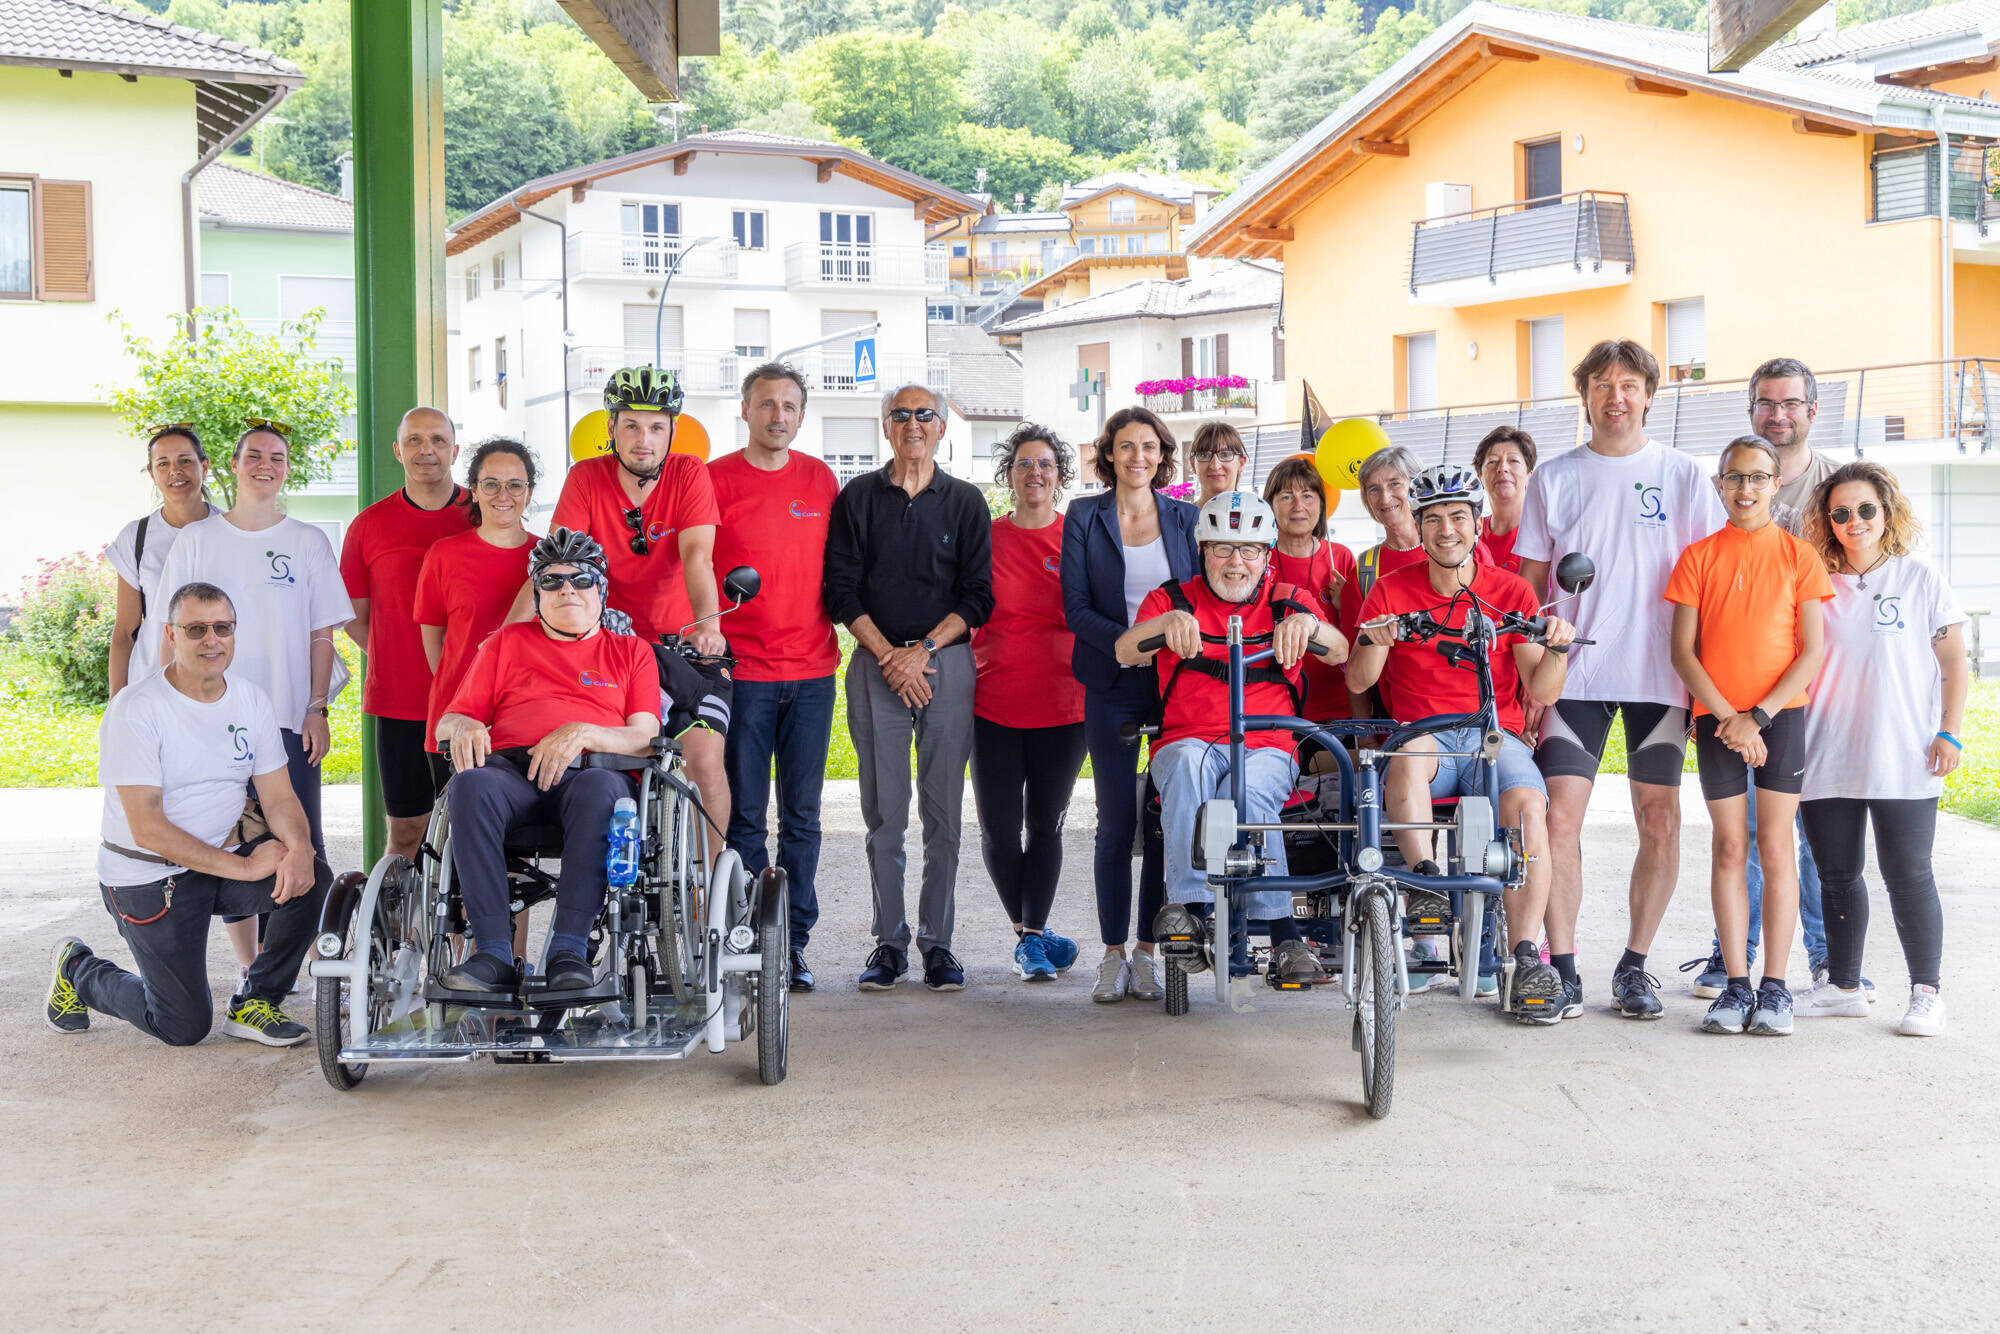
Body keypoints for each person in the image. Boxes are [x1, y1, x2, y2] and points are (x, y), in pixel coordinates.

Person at [1515, 339, 1726, 1021]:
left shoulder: (1686, 476)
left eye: (1629, 384)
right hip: (1573, 676)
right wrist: (1527, 675)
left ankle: (1635, 967)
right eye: (1602, 384)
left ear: (1648, 395)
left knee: (1660, 820)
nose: (1615, 396)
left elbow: (1714, 580)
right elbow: (1527, 587)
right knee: (1558, 821)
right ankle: (1565, 967)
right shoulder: (1555, 477)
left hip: (1661, 676)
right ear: (1584, 397)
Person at [45, 581, 332, 1046]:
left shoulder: (251, 700)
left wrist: (299, 848)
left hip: (217, 861)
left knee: (311, 876)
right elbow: (148, 828)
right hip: (147, 876)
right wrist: (243, 866)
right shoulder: (136, 710)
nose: (211, 640)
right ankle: (79, 969)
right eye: (196, 629)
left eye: (222, 627)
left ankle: (257, 1001)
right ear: (171, 635)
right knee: (181, 1026)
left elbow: (279, 797)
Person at [1346, 465, 1573, 1024]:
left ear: (1476, 525)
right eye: (1433, 520)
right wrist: (1377, 639)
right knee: (1408, 757)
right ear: (1418, 529)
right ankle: (1426, 885)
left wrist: (1559, 648)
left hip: (1493, 731)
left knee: (1529, 809)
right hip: (1425, 734)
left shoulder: (1509, 592)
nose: (1445, 530)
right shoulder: (1390, 589)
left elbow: (1539, 688)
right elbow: (1357, 681)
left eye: (1457, 518)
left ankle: (1524, 957)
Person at [1119, 492, 1346, 984]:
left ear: (1267, 555)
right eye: (1222, 548)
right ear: (1203, 553)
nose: (1235, 561)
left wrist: (1307, 624)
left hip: (1267, 744)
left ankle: (1285, 934)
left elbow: (1339, 651)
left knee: (1241, 792)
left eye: (1249, 550)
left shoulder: (1287, 600)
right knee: (1184, 769)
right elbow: (1123, 651)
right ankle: (1191, 910)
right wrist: (1164, 624)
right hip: (1188, 741)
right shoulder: (1172, 598)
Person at [156, 422, 352, 984]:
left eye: (278, 456)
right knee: (234, 843)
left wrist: (318, 707)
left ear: (287, 467)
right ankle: (251, 970)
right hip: (210, 721)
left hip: (288, 720)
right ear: (233, 464)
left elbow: (322, 634)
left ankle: (295, 966)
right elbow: (167, 635)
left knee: (300, 845)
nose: (266, 464)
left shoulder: (308, 541)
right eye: (254, 455)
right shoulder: (197, 540)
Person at [433, 529, 663, 993]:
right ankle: (494, 951)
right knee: (468, 784)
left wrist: (582, 733)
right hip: (511, 775)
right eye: (552, 581)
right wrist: (464, 727)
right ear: (536, 592)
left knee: (600, 790)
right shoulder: (505, 644)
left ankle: (568, 950)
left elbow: (645, 736)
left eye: (580, 581)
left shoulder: (630, 651)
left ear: (600, 590)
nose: (567, 591)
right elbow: (448, 721)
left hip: (593, 775)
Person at [824, 382, 993, 993]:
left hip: (943, 664)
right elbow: (841, 589)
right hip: (876, 664)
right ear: (886, 426)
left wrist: (921, 652)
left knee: (944, 817)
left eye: (926, 415)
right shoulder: (858, 498)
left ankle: (939, 945)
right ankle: (888, 943)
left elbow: (980, 596)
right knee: (884, 817)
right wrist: (890, 655)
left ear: (943, 428)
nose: (914, 424)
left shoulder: (967, 502)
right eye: (902, 415)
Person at [1666, 436, 1832, 1037]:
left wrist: (1756, 718)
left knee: (1777, 846)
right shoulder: (1697, 558)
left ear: (1776, 482)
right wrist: (1729, 719)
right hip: (1715, 718)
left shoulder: (1799, 557)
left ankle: (1776, 987)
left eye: (1758, 477)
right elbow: (1684, 654)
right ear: (1719, 485)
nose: (1745, 489)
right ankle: (1736, 985)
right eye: (1734, 477)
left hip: (1778, 718)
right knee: (1730, 847)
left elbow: (1811, 652)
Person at [1796, 461, 1966, 1036]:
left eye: (1865, 509)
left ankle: (1926, 993)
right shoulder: (1813, 580)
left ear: (1886, 512)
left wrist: (1950, 730)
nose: (1853, 521)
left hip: (1903, 754)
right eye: (1840, 512)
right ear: (1827, 519)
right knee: (1836, 876)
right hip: (1827, 752)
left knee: (1909, 874)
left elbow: (1953, 663)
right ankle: (1843, 986)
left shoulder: (1918, 577)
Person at [533, 366, 731, 844]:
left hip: (681, 650)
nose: (644, 439)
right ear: (611, 429)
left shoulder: (688, 473)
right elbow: (557, 562)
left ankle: (711, 896)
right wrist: (511, 632)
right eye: (632, 425)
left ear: (672, 432)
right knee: (598, 763)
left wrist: (706, 625)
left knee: (704, 758)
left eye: (656, 427)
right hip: (608, 650)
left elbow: (697, 557)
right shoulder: (586, 477)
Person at [1060, 406, 1199, 1003]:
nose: (1137, 456)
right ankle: (1112, 953)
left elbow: (1200, 597)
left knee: (1165, 823)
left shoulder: (1187, 518)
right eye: (1125, 446)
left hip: (1178, 685)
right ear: (1108, 454)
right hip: (1111, 676)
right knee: (1115, 823)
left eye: (1149, 446)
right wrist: (1129, 647)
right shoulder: (1084, 517)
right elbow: (1076, 608)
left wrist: (1164, 649)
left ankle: (1148, 950)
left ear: (1162, 456)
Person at [710, 362, 839, 994]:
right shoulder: (713, 481)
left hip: (813, 671)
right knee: (743, 819)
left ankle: (791, 942)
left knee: (803, 817)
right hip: (742, 673)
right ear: (744, 408)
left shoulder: (820, 479)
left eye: (789, 405)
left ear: (801, 414)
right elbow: (691, 568)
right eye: (766, 404)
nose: (778, 415)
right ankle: (746, 938)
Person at [971, 425, 1088, 983]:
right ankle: (1035, 936)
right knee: (997, 829)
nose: (1034, 473)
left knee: (1045, 824)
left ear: (1059, 477)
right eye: (1023, 464)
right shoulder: (985, 538)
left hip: (1065, 706)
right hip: (990, 702)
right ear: (1009, 475)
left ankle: (1031, 937)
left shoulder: (1079, 540)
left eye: (1045, 464)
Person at [340, 406, 468, 862]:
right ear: (398, 451)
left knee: (480, 833)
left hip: (474, 704)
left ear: (455, 450)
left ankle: (466, 936)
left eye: (436, 439)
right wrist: (396, 654)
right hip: (401, 702)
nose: (425, 450)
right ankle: (400, 934)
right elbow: (352, 615)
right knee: (406, 833)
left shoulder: (484, 514)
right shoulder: (368, 526)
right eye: (414, 440)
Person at [414, 438, 539, 803]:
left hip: (525, 721)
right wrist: (463, 691)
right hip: (455, 718)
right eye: (491, 484)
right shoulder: (444, 555)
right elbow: (434, 639)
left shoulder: (548, 558)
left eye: (515, 484)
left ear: (529, 493)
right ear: (474, 490)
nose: (504, 494)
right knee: (456, 839)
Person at [106, 425, 218, 697]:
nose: (175, 471)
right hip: (152, 684)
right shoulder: (136, 537)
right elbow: (124, 632)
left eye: (185, 461)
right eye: (163, 464)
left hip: (220, 681)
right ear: (152, 473)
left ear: (204, 465)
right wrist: (117, 704)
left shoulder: (231, 531)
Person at [1264, 454, 1359, 729]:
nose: (1298, 506)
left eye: (1307, 495)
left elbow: (1358, 636)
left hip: (1336, 705)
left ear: (1321, 504)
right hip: (1275, 706)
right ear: (1270, 504)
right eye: (1286, 497)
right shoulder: (1255, 561)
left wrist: (1348, 604)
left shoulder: (1340, 557)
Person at [1472, 425, 1535, 574]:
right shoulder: (1471, 534)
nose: (1502, 468)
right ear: (1479, 477)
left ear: (1529, 474)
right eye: (1492, 462)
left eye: (1513, 460)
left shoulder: (1543, 532)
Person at [1190, 421, 1248, 505]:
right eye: (1205, 455)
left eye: (1225, 454)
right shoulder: (1182, 518)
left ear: (1241, 463)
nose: (1215, 466)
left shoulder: (1261, 516)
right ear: (1193, 464)